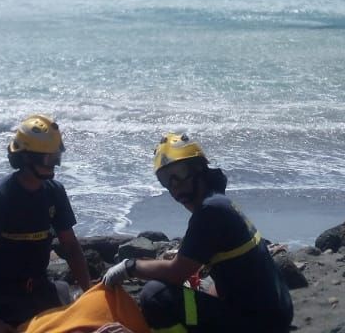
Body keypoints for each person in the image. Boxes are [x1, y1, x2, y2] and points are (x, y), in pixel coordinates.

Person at [102, 134, 292, 333]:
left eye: (180, 173)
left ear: (199, 170)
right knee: (204, 291)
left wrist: (129, 267)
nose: (175, 185)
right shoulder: (220, 202)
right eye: (166, 179)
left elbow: (176, 273)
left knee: (155, 295)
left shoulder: (209, 212)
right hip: (277, 314)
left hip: (260, 324)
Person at [0, 114, 94, 333]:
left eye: (56, 157)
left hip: (40, 285)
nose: (55, 165)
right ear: (26, 159)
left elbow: (70, 245)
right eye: (48, 159)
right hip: (6, 294)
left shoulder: (55, 192)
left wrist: (89, 292)